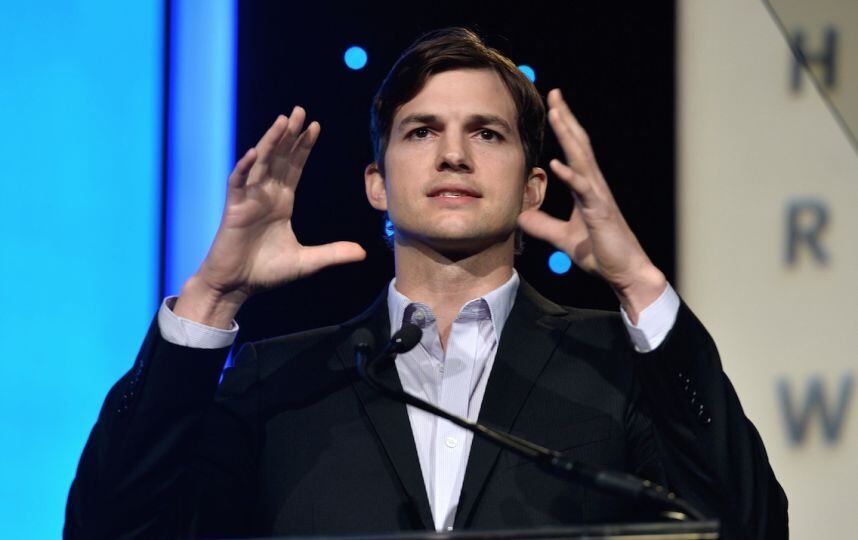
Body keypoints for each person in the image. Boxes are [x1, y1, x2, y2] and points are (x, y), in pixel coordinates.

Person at [65, 28, 787, 539]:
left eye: (487, 133)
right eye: (421, 131)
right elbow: (110, 528)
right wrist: (212, 299)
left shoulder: (616, 364)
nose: (453, 155)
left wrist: (639, 283)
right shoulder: (277, 381)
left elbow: (749, 527)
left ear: (534, 188)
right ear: (377, 184)